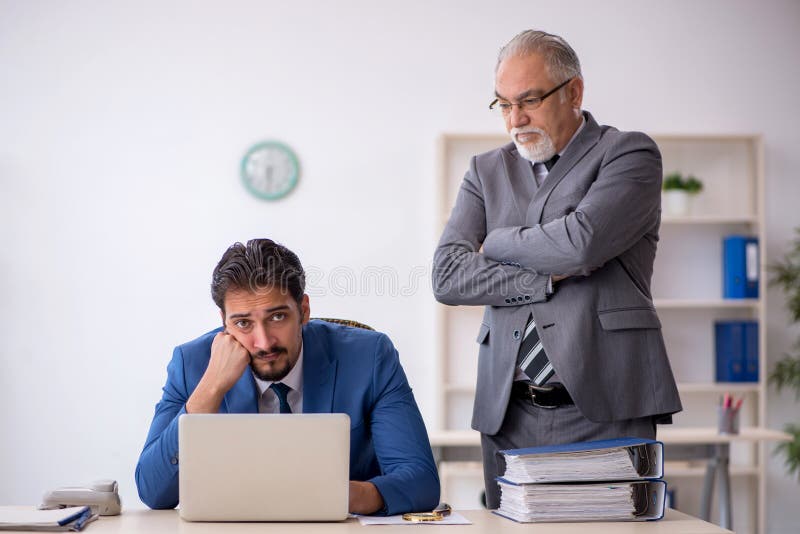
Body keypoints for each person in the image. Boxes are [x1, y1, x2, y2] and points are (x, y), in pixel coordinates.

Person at [432, 30, 682, 509]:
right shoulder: (485, 170)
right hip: (508, 408)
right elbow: (447, 276)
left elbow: (581, 244)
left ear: (574, 91)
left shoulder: (628, 154)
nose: (515, 119)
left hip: (606, 400)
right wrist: (541, 276)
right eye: (502, 104)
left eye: (528, 100)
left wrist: (497, 242)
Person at [136, 238, 440, 515]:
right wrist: (210, 390)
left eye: (277, 317)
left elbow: (420, 482)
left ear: (304, 310)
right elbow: (153, 491)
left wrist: (337, 495)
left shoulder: (370, 357)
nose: (264, 342)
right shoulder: (191, 363)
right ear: (223, 322)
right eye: (243, 323)